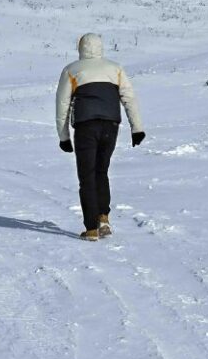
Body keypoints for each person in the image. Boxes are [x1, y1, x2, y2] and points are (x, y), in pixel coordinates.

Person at [55, 34, 145, 241]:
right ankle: (103, 217)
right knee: (101, 171)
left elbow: (62, 104)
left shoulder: (72, 70)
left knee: (86, 176)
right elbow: (129, 98)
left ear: (80, 48)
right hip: (110, 125)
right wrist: (137, 128)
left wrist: (63, 137)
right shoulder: (115, 68)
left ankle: (91, 228)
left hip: (86, 127)